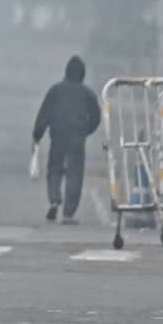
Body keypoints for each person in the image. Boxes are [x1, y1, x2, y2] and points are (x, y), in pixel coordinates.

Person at [32, 55, 101, 224]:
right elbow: (96, 117)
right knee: (74, 174)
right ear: (82, 75)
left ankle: (54, 199)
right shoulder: (88, 94)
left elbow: (44, 115)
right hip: (77, 137)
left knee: (55, 169)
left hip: (58, 135)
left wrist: (37, 135)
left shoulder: (55, 90)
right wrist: (85, 131)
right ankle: (68, 213)